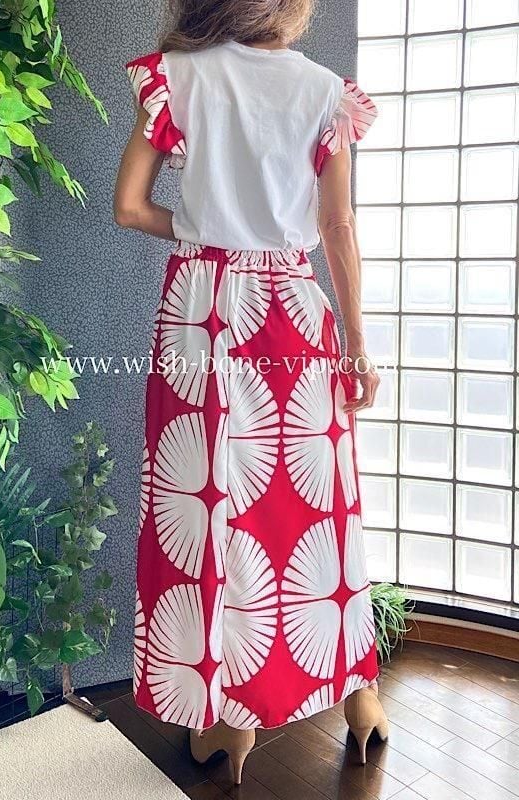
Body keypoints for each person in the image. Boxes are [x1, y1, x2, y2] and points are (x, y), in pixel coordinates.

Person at [114, 0, 388, 784]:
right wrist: (357, 346)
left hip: (203, 312)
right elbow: (337, 228)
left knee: (212, 506)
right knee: (317, 508)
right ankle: (362, 701)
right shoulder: (326, 93)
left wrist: (203, 229)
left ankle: (231, 722)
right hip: (294, 310)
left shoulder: (175, 79)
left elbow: (129, 207)